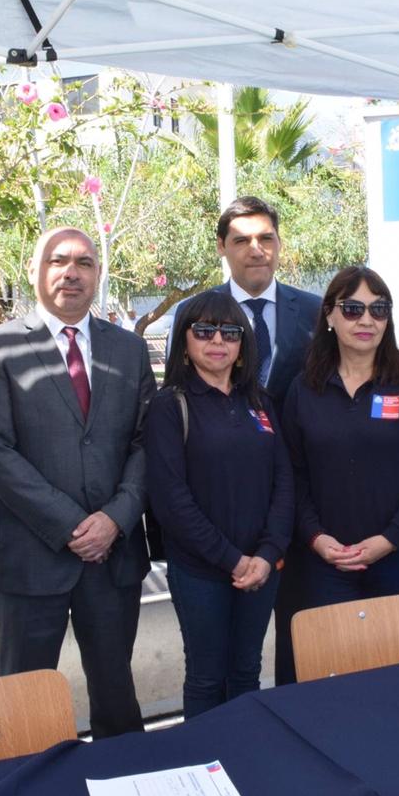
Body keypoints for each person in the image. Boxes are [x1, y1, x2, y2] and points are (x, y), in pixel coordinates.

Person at [0, 226, 155, 738]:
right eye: (57, 260)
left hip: (112, 557)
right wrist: (73, 525)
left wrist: (115, 519)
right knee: (23, 703)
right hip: (32, 556)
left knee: (117, 696)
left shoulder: (130, 350)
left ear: (98, 275)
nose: (71, 272)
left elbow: (147, 444)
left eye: (84, 262)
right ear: (34, 271)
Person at [175, 195, 322, 685]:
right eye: (241, 240)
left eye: (266, 238)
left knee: (293, 646)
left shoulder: (317, 311)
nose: (255, 249)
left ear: (280, 245)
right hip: (218, 516)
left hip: (294, 504)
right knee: (218, 665)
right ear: (222, 247)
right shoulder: (195, 314)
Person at [145, 291, 293, 718]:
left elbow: (284, 482)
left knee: (247, 673)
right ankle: (205, 767)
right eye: (204, 330)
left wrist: (266, 556)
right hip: (202, 572)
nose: (217, 341)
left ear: (243, 344)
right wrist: (233, 561)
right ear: (185, 342)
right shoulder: (169, 406)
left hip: (263, 570)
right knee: (207, 677)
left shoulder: (261, 403)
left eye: (229, 332)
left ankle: (245, 759)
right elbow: (171, 500)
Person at [282, 266, 399, 608]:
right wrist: (316, 537)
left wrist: (389, 539)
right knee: (332, 662)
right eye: (353, 308)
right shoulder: (304, 388)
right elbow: (291, 476)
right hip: (326, 563)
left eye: (379, 309)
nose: (366, 320)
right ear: (329, 314)